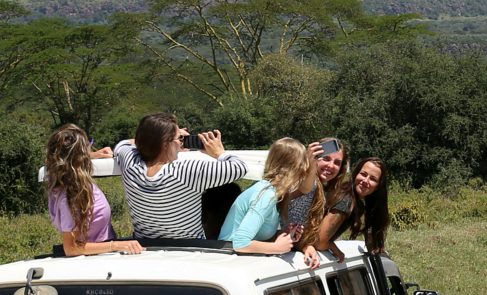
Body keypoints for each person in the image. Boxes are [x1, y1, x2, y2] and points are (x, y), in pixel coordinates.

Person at [113, 113, 246, 241]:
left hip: (146, 246)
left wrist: (164, 140)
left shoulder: (130, 163)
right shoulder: (186, 171)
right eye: (179, 139)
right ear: (164, 144)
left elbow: (123, 144)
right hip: (189, 247)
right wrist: (219, 152)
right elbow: (239, 168)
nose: (182, 143)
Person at [44, 125, 144, 257]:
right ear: (80, 156)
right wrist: (115, 245)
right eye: (89, 144)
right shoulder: (70, 196)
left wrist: (94, 155)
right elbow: (71, 247)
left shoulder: (66, 179)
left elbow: (61, 158)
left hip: (101, 254)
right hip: (95, 259)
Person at [220, 138, 321, 267]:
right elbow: (241, 243)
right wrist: (278, 247)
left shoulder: (272, 191)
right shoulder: (266, 194)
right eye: (303, 164)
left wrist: (283, 234)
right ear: (295, 167)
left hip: (238, 261)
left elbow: (255, 237)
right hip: (230, 261)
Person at [318, 157, 389, 261]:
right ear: (356, 174)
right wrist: (337, 251)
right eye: (363, 174)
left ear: (378, 186)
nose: (365, 181)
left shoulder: (358, 204)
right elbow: (320, 241)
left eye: (373, 179)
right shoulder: (346, 201)